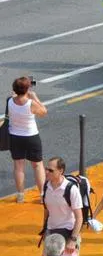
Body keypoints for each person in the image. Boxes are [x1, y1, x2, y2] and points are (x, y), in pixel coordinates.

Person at [41, 157, 83, 256]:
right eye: (46, 169)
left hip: (68, 232)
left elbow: (79, 217)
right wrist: (44, 229)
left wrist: (73, 239)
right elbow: (47, 210)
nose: (47, 172)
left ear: (61, 171)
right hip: (51, 232)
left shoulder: (71, 190)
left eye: (51, 170)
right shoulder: (46, 187)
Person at [7, 75, 47, 204]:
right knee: (37, 165)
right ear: (27, 89)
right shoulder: (31, 103)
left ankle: (20, 195)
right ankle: (42, 195)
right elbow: (43, 112)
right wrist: (34, 96)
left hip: (15, 136)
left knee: (18, 166)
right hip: (31, 136)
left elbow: (14, 96)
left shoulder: (10, 101)